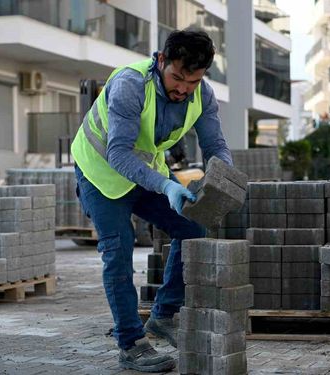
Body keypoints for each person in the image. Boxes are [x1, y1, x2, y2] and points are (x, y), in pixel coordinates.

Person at [71, 29, 232, 373]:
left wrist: (225, 179)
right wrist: (166, 186)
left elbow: (215, 147)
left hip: (146, 170)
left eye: (192, 81)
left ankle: (163, 316)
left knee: (193, 228)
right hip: (101, 170)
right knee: (118, 250)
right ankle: (131, 344)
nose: (183, 89)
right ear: (161, 60)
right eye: (177, 77)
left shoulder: (202, 95)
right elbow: (118, 152)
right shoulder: (131, 85)